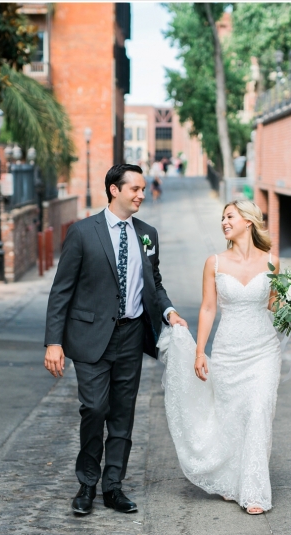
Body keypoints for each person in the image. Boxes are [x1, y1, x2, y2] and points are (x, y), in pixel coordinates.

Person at [44, 164, 188, 515]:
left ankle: (113, 487)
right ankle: (87, 484)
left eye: (142, 189)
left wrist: (169, 312)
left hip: (132, 335)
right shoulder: (82, 232)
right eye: (135, 189)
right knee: (94, 409)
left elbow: (155, 284)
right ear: (114, 190)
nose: (142, 194)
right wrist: (54, 342)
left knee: (123, 414)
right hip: (90, 337)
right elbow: (61, 291)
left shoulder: (147, 234)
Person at [157, 200, 281, 514]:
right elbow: (209, 308)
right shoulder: (214, 262)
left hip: (264, 350)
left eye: (230, 216)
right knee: (233, 416)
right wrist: (200, 351)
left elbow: (274, 306)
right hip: (228, 351)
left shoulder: (272, 262)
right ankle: (230, 478)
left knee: (258, 411)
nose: (224, 222)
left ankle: (254, 491)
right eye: (222, 218)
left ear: (248, 222)